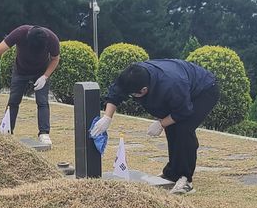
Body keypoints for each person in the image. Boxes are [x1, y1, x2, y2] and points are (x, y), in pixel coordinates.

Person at [90, 59, 219, 195]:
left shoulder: (171, 85)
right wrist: (107, 117)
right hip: (183, 87)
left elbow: (183, 112)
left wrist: (161, 123)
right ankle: (172, 174)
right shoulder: (131, 75)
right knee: (172, 127)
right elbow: (116, 92)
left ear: (144, 90)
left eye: (133, 95)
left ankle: (186, 179)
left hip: (204, 90)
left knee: (183, 129)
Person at [0, 25, 60, 145]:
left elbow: (55, 59)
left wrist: (45, 76)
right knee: (13, 101)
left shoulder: (52, 39)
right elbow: (0, 49)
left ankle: (44, 133)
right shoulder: (20, 33)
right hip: (21, 71)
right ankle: (7, 129)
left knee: (42, 102)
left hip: (41, 72)